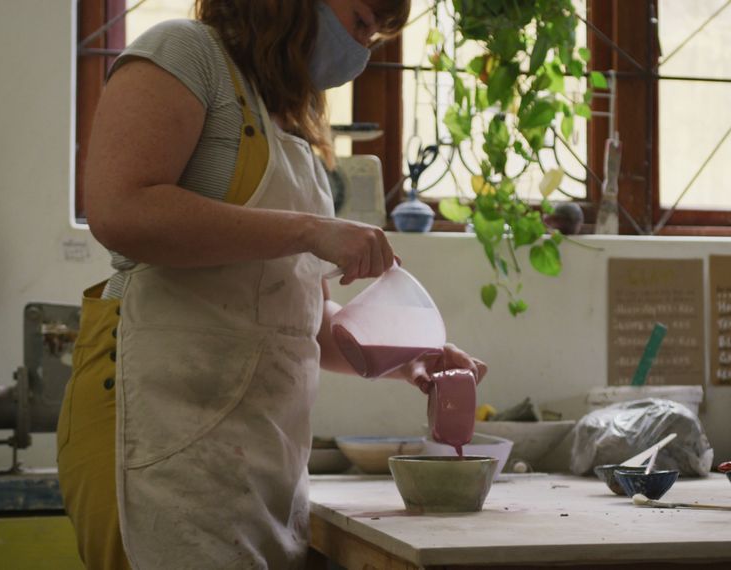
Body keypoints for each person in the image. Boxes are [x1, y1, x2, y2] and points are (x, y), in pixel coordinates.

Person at [56, 1, 487, 567]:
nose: (362, 51)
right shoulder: (183, 53)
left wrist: (410, 358)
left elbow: (302, 317)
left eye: (377, 37)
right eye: (361, 23)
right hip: (154, 423)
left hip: (255, 451)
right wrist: (311, 230)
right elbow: (119, 210)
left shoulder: (289, 124)